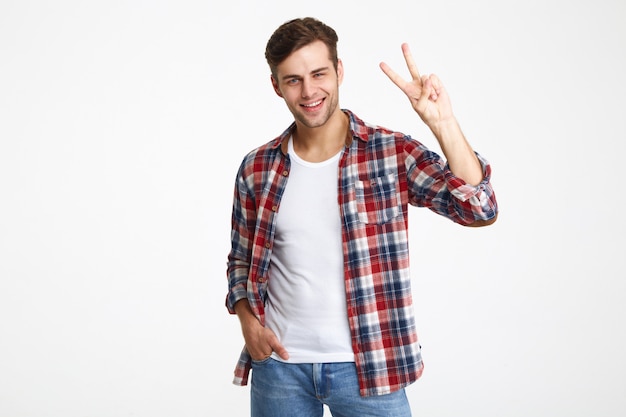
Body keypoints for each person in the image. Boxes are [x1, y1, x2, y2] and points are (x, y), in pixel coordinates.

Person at [225, 17, 498, 417]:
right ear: (276, 86)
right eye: (293, 80)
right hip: (279, 370)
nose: (309, 90)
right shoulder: (257, 167)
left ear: (339, 70)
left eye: (319, 73)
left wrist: (443, 123)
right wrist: (249, 324)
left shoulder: (390, 153)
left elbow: (479, 208)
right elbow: (240, 261)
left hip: (370, 368)